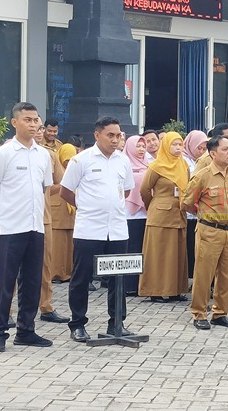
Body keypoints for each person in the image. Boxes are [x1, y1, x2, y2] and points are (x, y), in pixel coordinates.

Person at [0, 102, 54, 353]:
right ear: (15, 123)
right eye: (27, 119)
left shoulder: (43, 154)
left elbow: (45, 188)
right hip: (9, 227)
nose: (33, 124)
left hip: (35, 226)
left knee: (32, 281)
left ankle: (26, 330)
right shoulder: (3, 153)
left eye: (36, 120)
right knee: (4, 282)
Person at [59, 117, 135, 342]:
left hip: (118, 228)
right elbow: (65, 191)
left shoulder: (123, 161)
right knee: (81, 277)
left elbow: (127, 190)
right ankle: (78, 324)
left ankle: (116, 322)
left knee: (117, 277)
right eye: (110, 135)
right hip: (89, 228)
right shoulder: (81, 160)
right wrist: (88, 206)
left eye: (118, 135)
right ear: (96, 135)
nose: (115, 140)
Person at [182, 135, 228, 329]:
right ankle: (199, 313)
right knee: (204, 274)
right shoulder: (203, 175)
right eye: (225, 149)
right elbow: (187, 203)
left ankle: (220, 313)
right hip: (209, 230)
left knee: (226, 274)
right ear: (213, 153)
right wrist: (205, 216)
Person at [139, 132, 190, 302]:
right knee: (158, 253)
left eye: (180, 145)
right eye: (174, 145)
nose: (177, 148)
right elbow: (144, 190)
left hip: (179, 213)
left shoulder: (183, 165)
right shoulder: (156, 166)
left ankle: (175, 289)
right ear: (166, 145)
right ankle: (155, 290)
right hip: (160, 214)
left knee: (176, 253)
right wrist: (152, 206)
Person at [34, 126, 69, 324]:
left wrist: (44, 191)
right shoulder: (6, 152)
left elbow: (62, 183)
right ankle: (7, 310)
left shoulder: (49, 155)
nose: (36, 130)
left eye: (38, 126)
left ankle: (45, 307)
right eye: (29, 122)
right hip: (16, 219)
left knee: (44, 266)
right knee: (11, 268)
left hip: (43, 216)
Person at [182, 130, 209, 280]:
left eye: (204, 148)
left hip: (200, 210)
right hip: (188, 208)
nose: (202, 151)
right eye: (199, 148)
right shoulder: (183, 160)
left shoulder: (204, 161)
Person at [124, 135, 149, 295]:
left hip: (146, 213)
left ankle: (141, 284)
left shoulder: (150, 164)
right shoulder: (123, 164)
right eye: (138, 146)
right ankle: (129, 285)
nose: (141, 150)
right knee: (131, 249)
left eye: (143, 146)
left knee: (143, 249)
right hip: (129, 214)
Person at [50, 144, 78, 284]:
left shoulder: (74, 169)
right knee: (57, 245)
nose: (69, 162)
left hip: (69, 211)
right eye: (66, 159)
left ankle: (67, 272)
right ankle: (56, 273)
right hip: (57, 210)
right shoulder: (57, 169)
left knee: (68, 244)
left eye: (72, 158)